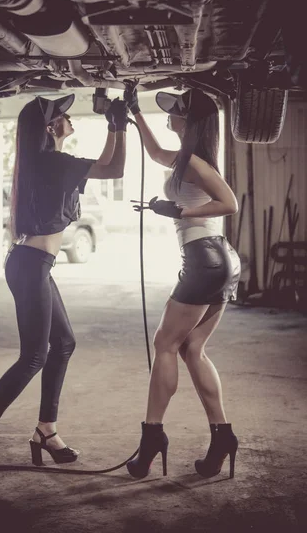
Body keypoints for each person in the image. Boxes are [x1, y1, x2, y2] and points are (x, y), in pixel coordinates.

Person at [0, 93, 128, 475]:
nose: (68, 116)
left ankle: (46, 430)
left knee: (63, 343)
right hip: (30, 265)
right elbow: (114, 169)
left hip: (34, 264)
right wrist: (117, 123)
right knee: (34, 356)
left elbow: (107, 165)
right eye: (61, 114)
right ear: (51, 127)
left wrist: (115, 123)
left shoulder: (48, 162)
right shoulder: (52, 162)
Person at [123, 84, 241, 480]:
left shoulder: (196, 164)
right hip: (219, 258)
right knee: (193, 349)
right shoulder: (183, 159)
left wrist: (180, 211)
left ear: (190, 122)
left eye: (175, 112)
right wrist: (134, 114)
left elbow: (230, 203)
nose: (169, 116)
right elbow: (155, 153)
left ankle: (152, 436)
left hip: (205, 258)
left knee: (165, 344)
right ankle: (223, 436)